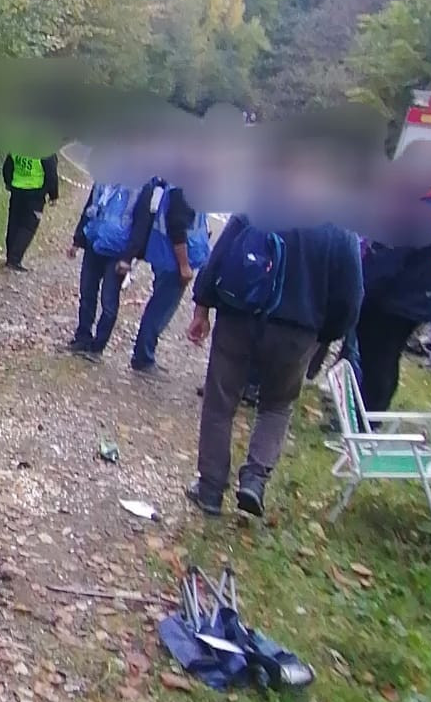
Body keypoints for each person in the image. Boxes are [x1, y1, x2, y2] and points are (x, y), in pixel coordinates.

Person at [187, 217, 363, 517]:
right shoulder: (340, 226)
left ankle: (210, 490)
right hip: (298, 332)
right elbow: (350, 298)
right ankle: (254, 480)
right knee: (277, 406)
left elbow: (220, 255)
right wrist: (324, 334)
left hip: (238, 318)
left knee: (220, 402)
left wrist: (202, 306)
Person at [351, 204, 431, 411]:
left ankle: (367, 416)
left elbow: (387, 261)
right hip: (420, 300)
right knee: (387, 357)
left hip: (392, 300)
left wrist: (361, 287)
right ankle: (369, 410)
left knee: (377, 360)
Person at [130, 181, 210, 373]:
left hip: (165, 257)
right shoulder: (185, 188)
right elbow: (177, 227)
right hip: (172, 261)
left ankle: (144, 354)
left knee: (159, 306)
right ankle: (143, 358)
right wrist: (184, 265)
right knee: (159, 310)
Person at [68, 180, 151, 360]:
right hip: (94, 243)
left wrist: (129, 257)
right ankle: (82, 337)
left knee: (109, 301)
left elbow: (141, 224)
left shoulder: (141, 186)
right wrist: (78, 240)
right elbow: (90, 208)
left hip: (118, 252)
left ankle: (97, 347)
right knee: (87, 293)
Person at [2, 152, 59, 271]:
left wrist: (9, 183)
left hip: (17, 190)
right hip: (35, 194)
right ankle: (14, 259)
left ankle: (10, 258)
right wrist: (53, 195)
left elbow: (7, 166)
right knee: (28, 227)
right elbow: (51, 174)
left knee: (14, 223)